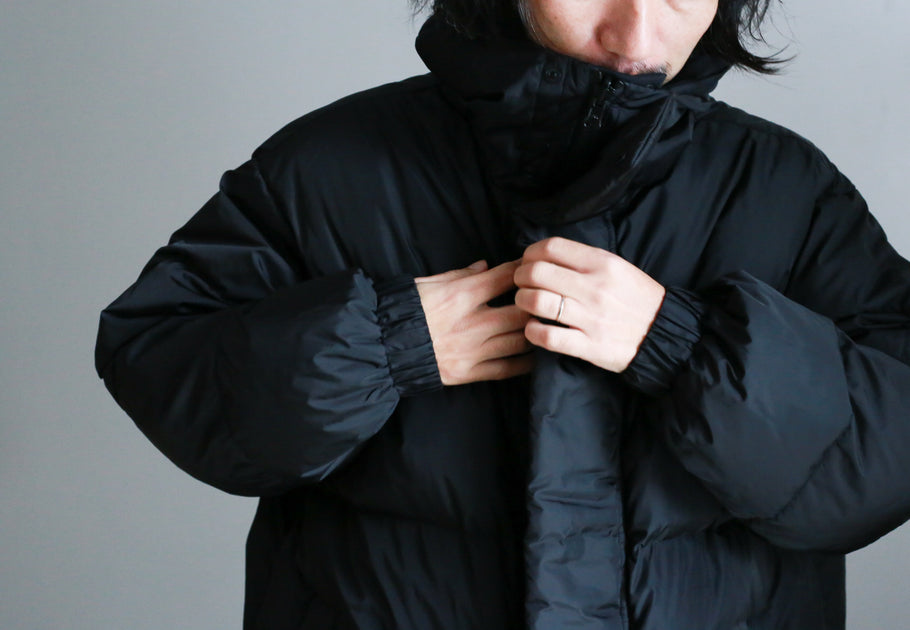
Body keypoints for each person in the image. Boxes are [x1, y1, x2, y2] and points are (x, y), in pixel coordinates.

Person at [94, 0, 910, 628]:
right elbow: (163, 363)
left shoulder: (791, 190)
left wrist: (684, 348)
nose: (636, 35)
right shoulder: (327, 165)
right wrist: (388, 344)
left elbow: (886, 460)